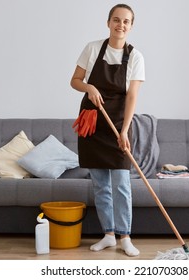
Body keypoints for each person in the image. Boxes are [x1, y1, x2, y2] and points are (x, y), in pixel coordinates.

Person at [70, 3, 145, 257]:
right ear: (108, 22)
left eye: (126, 21)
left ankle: (125, 236)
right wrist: (89, 88)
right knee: (101, 184)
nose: (120, 25)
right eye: (116, 20)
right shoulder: (92, 49)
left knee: (121, 184)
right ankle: (109, 235)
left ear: (131, 26)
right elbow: (75, 80)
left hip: (119, 124)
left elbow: (132, 96)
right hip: (93, 121)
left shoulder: (135, 56)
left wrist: (125, 131)